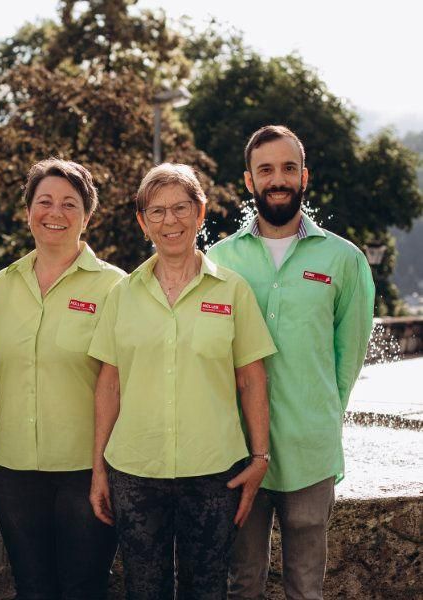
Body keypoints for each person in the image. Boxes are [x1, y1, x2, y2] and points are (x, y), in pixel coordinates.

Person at [88, 163, 277, 600]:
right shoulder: (122, 294)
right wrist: (99, 468)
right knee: (144, 589)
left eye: (180, 208)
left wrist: (260, 458)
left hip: (214, 472)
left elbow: (252, 380)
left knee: (206, 589)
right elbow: (109, 386)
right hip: (135, 473)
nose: (169, 221)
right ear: (143, 222)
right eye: (156, 211)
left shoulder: (232, 290)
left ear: (200, 212)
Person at [207, 125, 375, 600]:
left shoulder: (344, 260)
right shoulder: (219, 260)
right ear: (249, 180)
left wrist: (322, 416)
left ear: (304, 176)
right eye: (265, 170)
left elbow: (348, 358)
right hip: (237, 449)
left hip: (309, 451)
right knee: (243, 584)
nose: (277, 179)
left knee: (306, 587)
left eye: (287, 168)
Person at [0, 159, 123, 599]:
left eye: (70, 204)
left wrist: (103, 469)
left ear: (87, 216)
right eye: (44, 201)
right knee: (32, 588)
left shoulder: (115, 288)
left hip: (85, 470)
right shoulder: (1, 286)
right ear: (28, 211)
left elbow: (122, 383)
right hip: (12, 469)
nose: (55, 213)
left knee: (83, 588)